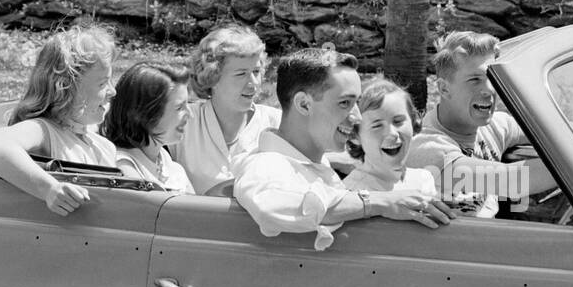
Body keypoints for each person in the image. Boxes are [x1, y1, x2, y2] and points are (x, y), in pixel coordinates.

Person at [233, 47, 454, 251]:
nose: (357, 117)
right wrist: (380, 202)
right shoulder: (266, 164)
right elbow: (275, 206)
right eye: (344, 103)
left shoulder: (314, 164)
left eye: (356, 103)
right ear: (303, 104)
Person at [406, 31, 559, 217]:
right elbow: (512, 182)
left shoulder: (495, 125)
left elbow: (556, 130)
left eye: (492, 78)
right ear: (444, 89)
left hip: (489, 238)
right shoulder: (427, 148)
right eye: (475, 80)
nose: (489, 90)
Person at [0, 23, 117, 217]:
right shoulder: (45, 130)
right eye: (103, 83)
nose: (113, 91)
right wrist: (49, 189)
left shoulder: (102, 145)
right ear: (68, 88)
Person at [174, 25, 280, 195]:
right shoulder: (183, 122)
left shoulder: (278, 124)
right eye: (241, 74)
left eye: (256, 71)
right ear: (212, 77)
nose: (253, 82)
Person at [102, 62, 195, 193]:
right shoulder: (121, 170)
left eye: (188, 104)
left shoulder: (174, 169)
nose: (190, 115)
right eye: (179, 107)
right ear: (145, 114)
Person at [342, 78, 438, 202]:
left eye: (398, 121)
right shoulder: (350, 195)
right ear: (354, 136)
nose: (392, 133)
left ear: (414, 122)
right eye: (377, 126)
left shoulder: (423, 180)